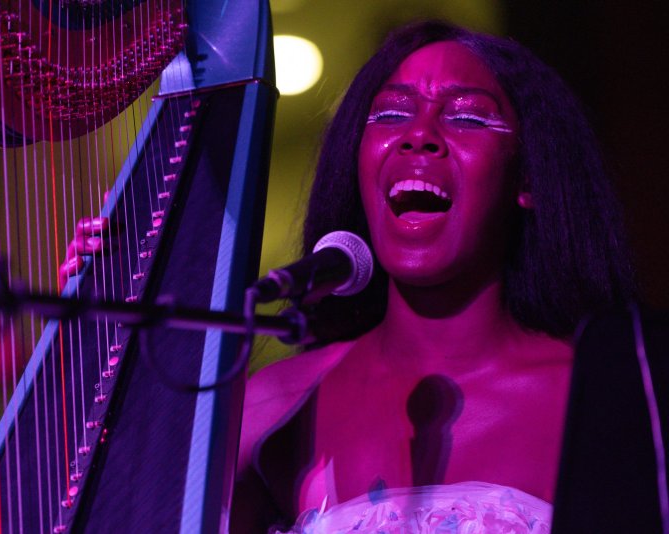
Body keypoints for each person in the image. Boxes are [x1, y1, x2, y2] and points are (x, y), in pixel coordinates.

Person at [229, 20, 635, 533]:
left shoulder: (604, 396)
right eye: (392, 114)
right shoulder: (275, 410)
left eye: (467, 118)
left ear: (528, 177)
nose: (418, 135)